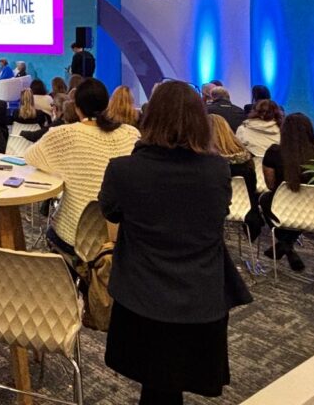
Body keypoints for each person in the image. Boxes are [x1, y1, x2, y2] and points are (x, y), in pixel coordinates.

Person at [99, 80, 250, 405]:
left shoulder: (124, 170)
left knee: (156, 385)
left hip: (140, 296)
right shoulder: (217, 171)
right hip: (201, 298)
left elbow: (110, 209)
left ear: (150, 117)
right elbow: (217, 215)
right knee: (166, 387)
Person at [24, 78, 139, 254]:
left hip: (73, 235)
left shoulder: (64, 134)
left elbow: (31, 156)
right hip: (124, 237)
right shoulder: (131, 134)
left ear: (77, 107)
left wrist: (65, 167)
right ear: (106, 104)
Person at [250, 113, 314, 272]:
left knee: (264, 198)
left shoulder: (274, 152)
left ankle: (286, 246)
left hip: (282, 208)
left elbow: (270, 185)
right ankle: (287, 246)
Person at [209, 113, 258, 227]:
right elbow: (253, 186)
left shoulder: (206, 163)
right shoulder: (246, 158)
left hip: (212, 210)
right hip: (245, 207)